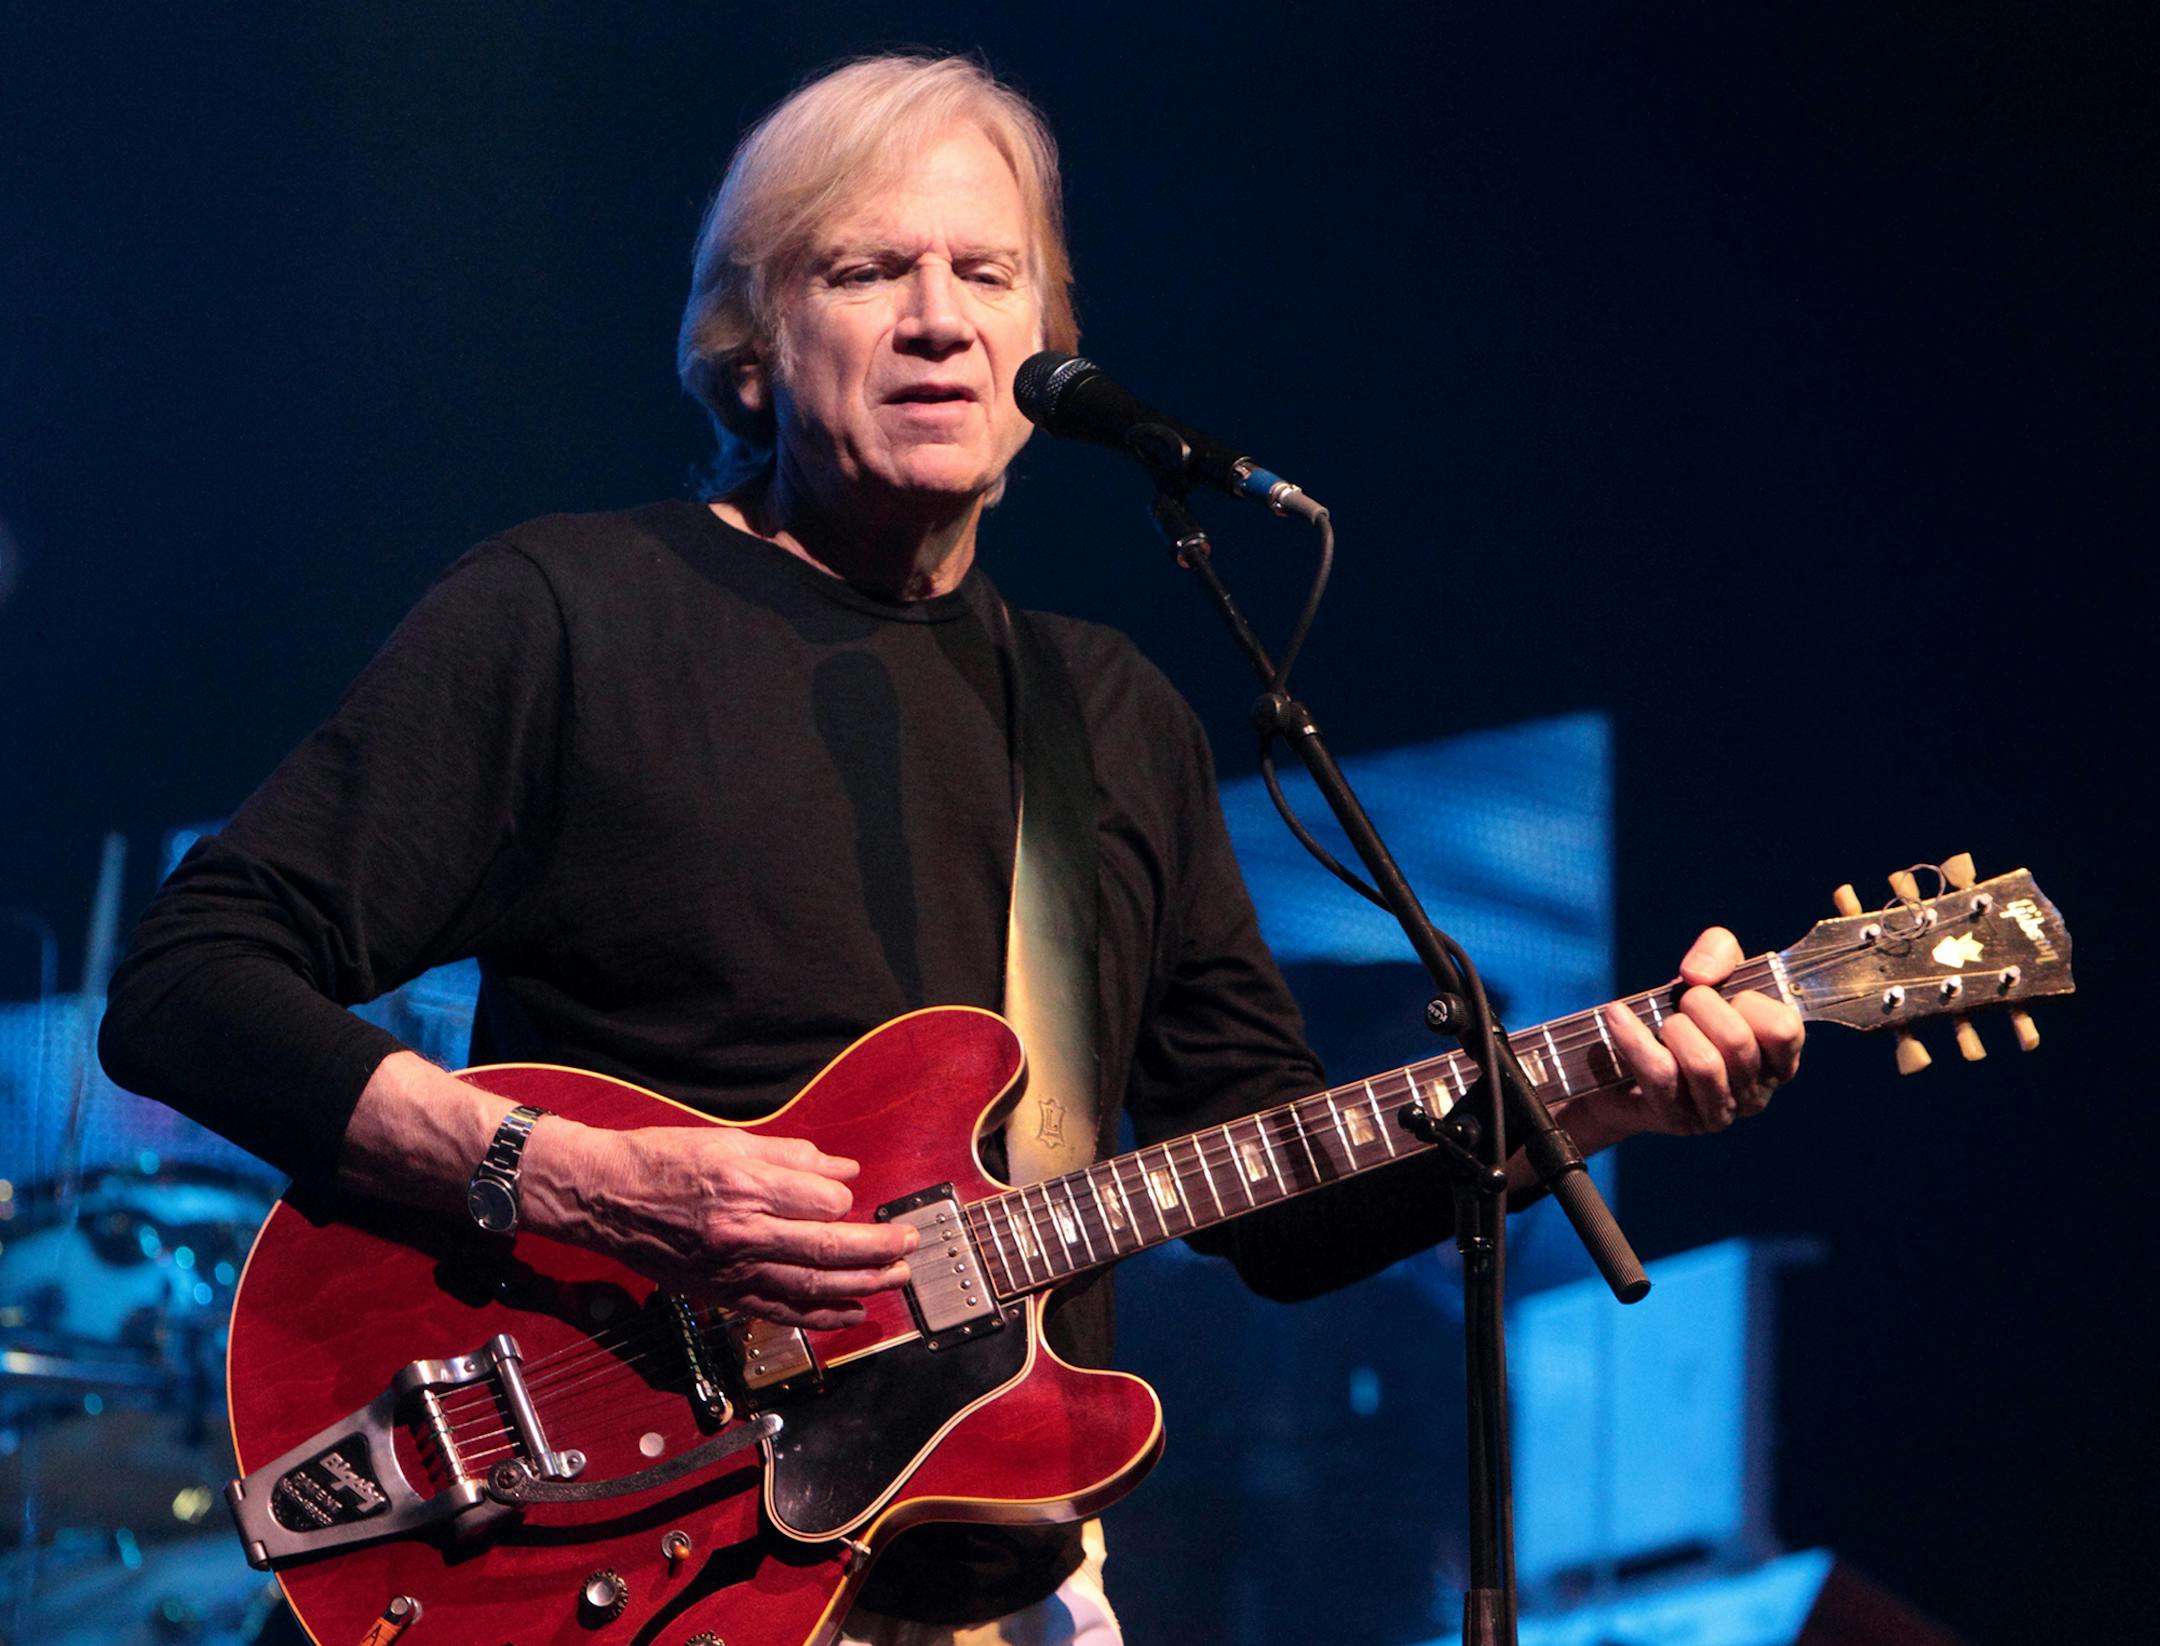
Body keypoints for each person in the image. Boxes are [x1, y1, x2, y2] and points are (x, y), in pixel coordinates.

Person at [98, 53, 1803, 1646]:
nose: (937, 323)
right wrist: (576, 1174)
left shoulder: (1107, 713)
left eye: (988, 279)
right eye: (866, 271)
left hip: (1000, 1570)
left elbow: (1271, 1199)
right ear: (749, 343)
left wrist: (1589, 1096)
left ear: (1045, 347)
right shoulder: (568, 611)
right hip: (598, 1519)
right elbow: (189, 982)